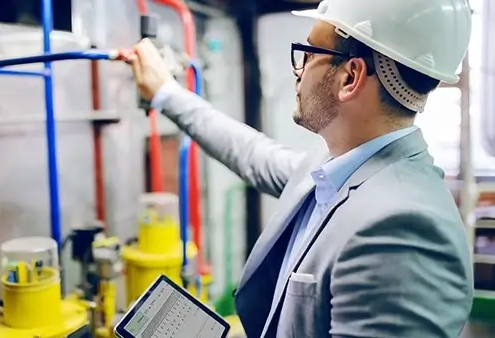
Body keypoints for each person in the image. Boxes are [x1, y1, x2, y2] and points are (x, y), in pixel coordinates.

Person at [127, 0, 474, 336]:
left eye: (309, 53)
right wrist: (166, 93)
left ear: (350, 77)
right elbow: (254, 154)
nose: (299, 70)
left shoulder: (402, 231)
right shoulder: (340, 168)